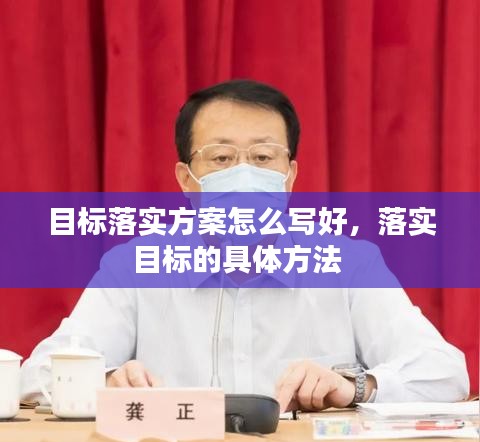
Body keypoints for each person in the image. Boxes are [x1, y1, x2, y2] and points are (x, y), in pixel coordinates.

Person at [21, 79, 469, 412]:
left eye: (262, 157)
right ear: (186, 180)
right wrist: (105, 381)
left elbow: (444, 372)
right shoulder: (134, 267)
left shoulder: (349, 265)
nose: (244, 173)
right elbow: (38, 375)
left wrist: (355, 386)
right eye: (221, 158)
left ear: (289, 176)